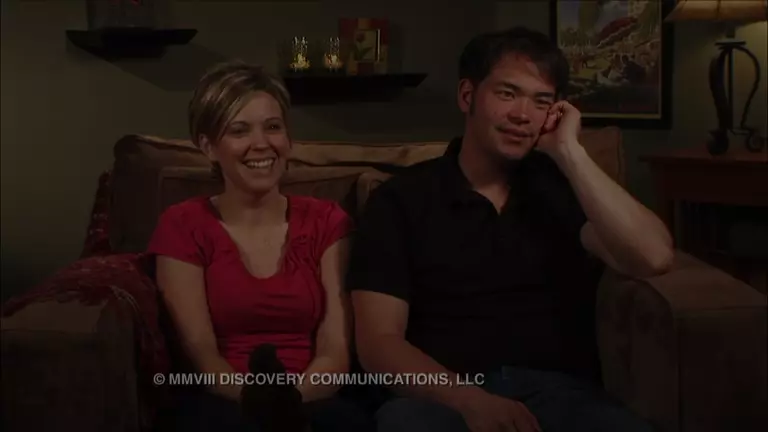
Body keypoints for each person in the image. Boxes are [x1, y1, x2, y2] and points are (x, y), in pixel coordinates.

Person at [347, 27, 674, 432]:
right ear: (467, 95)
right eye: (508, 93)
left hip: (561, 395)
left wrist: (570, 153)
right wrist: (471, 401)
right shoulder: (400, 200)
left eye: (541, 101)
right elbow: (379, 342)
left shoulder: (562, 189)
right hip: (442, 397)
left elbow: (654, 257)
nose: (523, 114)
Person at [147, 61, 373, 432]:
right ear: (208, 146)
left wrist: (291, 400)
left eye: (273, 127)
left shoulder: (327, 221)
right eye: (239, 131)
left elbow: (334, 350)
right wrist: (259, 401)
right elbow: (202, 354)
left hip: (311, 396)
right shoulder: (183, 224)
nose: (262, 143)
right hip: (224, 397)